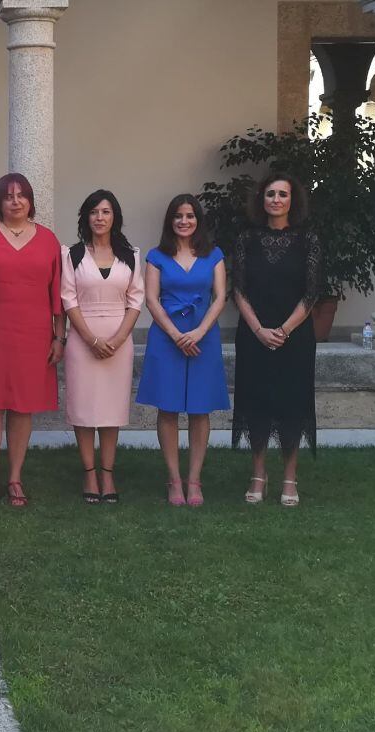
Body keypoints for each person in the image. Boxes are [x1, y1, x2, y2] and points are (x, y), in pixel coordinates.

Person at [0, 173, 65, 510]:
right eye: (8, 196)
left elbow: (58, 294)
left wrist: (59, 336)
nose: (15, 201)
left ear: (30, 200)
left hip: (34, 335)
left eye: (22, 195)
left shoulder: (49, 240)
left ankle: (15, 478)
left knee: (23, 408)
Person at [231, 173, 321, 507]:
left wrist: (283, 331)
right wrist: (258, 329)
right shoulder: (247, 239)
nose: (276, 199)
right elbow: (237, 289)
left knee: (291, 405)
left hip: (295, 338)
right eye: (270, 194)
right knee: (257, 403)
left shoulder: (307, 239)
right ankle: (258, 474)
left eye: (283, 194)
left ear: (292, 200)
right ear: (262, 200)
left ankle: (289, 478)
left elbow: (312, 293)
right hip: (254, 335)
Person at [136, 194, 229, 507]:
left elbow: (220, 297)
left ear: (198, 220)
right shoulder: (156, 256)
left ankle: (195, 480)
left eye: (190, 216)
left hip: (204, 337)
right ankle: (174, 479)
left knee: (200, 409)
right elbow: (151, 298)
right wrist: (177, 335)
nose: (184, 221)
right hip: (167, 337)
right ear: (170, 221)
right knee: (168, 407)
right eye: (178, 216)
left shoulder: (214, 255)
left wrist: (199, 332)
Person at [61, 190, 144, 503]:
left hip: (118, 342)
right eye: (94, 212)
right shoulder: (72, 255)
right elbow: (68, 298)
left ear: (115, 217)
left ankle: (108, 473)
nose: (99, 218)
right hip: (83, 341)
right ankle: (89, 473)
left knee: (111, 411)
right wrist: (91, 339)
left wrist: (119, 338)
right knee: (84, 410)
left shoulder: (131, 255)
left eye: (106, 212)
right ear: (86, 217)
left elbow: (136, 299)